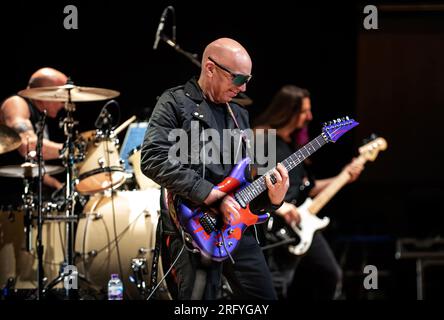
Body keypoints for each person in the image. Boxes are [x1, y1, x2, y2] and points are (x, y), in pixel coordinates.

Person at [141, 38, 289, 300]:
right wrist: (210, 194)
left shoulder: (239, 114)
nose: (242, 87)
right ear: (210, 68)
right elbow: (153, 159)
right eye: (238, 78)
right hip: (192, 227)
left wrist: (272, 200)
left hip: (236, 229)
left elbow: (245, 182)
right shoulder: (174, 103)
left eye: (248, 79)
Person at [253, 85, 363, 300]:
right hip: (275, 222)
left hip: (302, 221)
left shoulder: (294, 146)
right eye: (304, 111)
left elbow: (308, 188)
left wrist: (344, 176)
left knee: (329, 275)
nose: (310, 117)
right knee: (277, 284)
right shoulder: (263, 138)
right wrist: (281, 207)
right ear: (288, 110)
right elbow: (254, 182)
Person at [0, 67, 68, 201]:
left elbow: (33, 168)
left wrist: (58, 185)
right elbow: (28, 145)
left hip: (25, 196)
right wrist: (71, 150)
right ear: (44, 94)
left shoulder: (41, 117)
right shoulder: (17, 104)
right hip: (8, 200)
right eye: (61, 98)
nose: (64, 105)